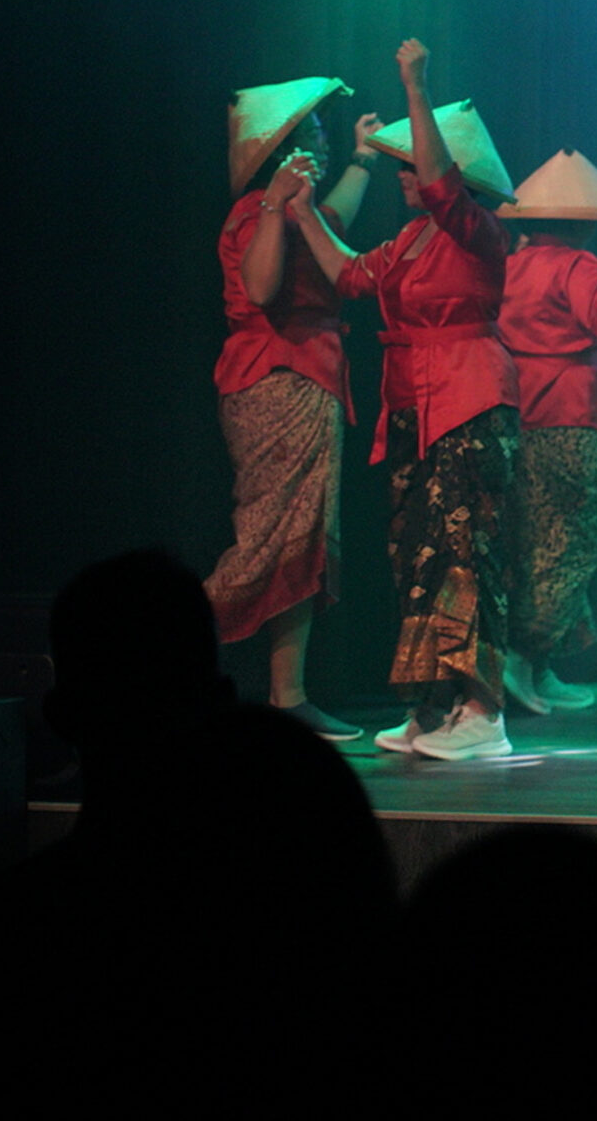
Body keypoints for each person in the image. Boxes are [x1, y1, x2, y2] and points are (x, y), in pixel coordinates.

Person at [288, 40, 521, 760]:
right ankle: (433, 704)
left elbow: (445, 186)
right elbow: (350, 277)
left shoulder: (477, 231)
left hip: (468, 400)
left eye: (411, 165)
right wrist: (303, 215)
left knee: (466, 555)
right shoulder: (412, 239)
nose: (404, 176)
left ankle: (483, 712)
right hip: (413, 409)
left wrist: (416, 85)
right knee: (417, 556)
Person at [209, 77, 379, 739]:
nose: (322, 141)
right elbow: (259, 288)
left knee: (298, 542)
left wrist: (363, 156)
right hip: (275, 380)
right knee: (265, 542)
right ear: (282, 148)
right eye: (312, 132)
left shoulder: (302, 211)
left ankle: (289, 695)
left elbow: (337, 216)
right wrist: (276, 205)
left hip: (310, 377)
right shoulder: (255, 211)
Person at [493, 150, 597, 716]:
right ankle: (521, 657)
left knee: (529, 540)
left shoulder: (511, 265)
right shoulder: (576, 264)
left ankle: (538, 668)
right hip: (567, 413)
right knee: (572, 540)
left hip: (518, 410)